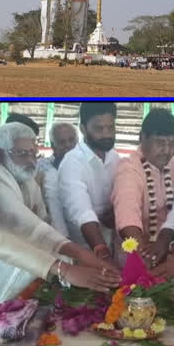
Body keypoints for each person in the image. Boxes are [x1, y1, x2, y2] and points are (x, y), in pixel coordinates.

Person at [0, 133, 119, 307]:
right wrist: (65, 269)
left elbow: (35, 228)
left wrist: (80, 254)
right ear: (1, 155)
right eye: (23, 153)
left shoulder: (25, 181)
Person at [112, 108, 174, 267]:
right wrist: (145, 256)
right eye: (160, 143)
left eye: (172, 143)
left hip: (168, 254)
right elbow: (127, 217)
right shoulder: (129, 170)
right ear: (142, 137)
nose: (167, 150)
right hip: (135, 256)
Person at [58, 102, 119, 260]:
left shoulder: (114, 156)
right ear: (83, 129)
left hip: (113, 244)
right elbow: (83, 213)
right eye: (99, 128)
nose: (107, 134)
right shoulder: (72, 162)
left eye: (111, 127)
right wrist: (103, 254)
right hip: (84, 252)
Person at [0, 118, 49, 222]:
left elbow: (44, 222)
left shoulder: (29, 182)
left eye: (34, 154)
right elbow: (20, 225)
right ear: (0, 155)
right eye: (23, 153)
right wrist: (32, 220)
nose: (31, 161)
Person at [35, 122, 78, 236]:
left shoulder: (86, 166)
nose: (68, 145)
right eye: (62, 142)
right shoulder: (42, 167)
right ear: (53, 146)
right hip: (51, 232)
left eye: (71, 140)